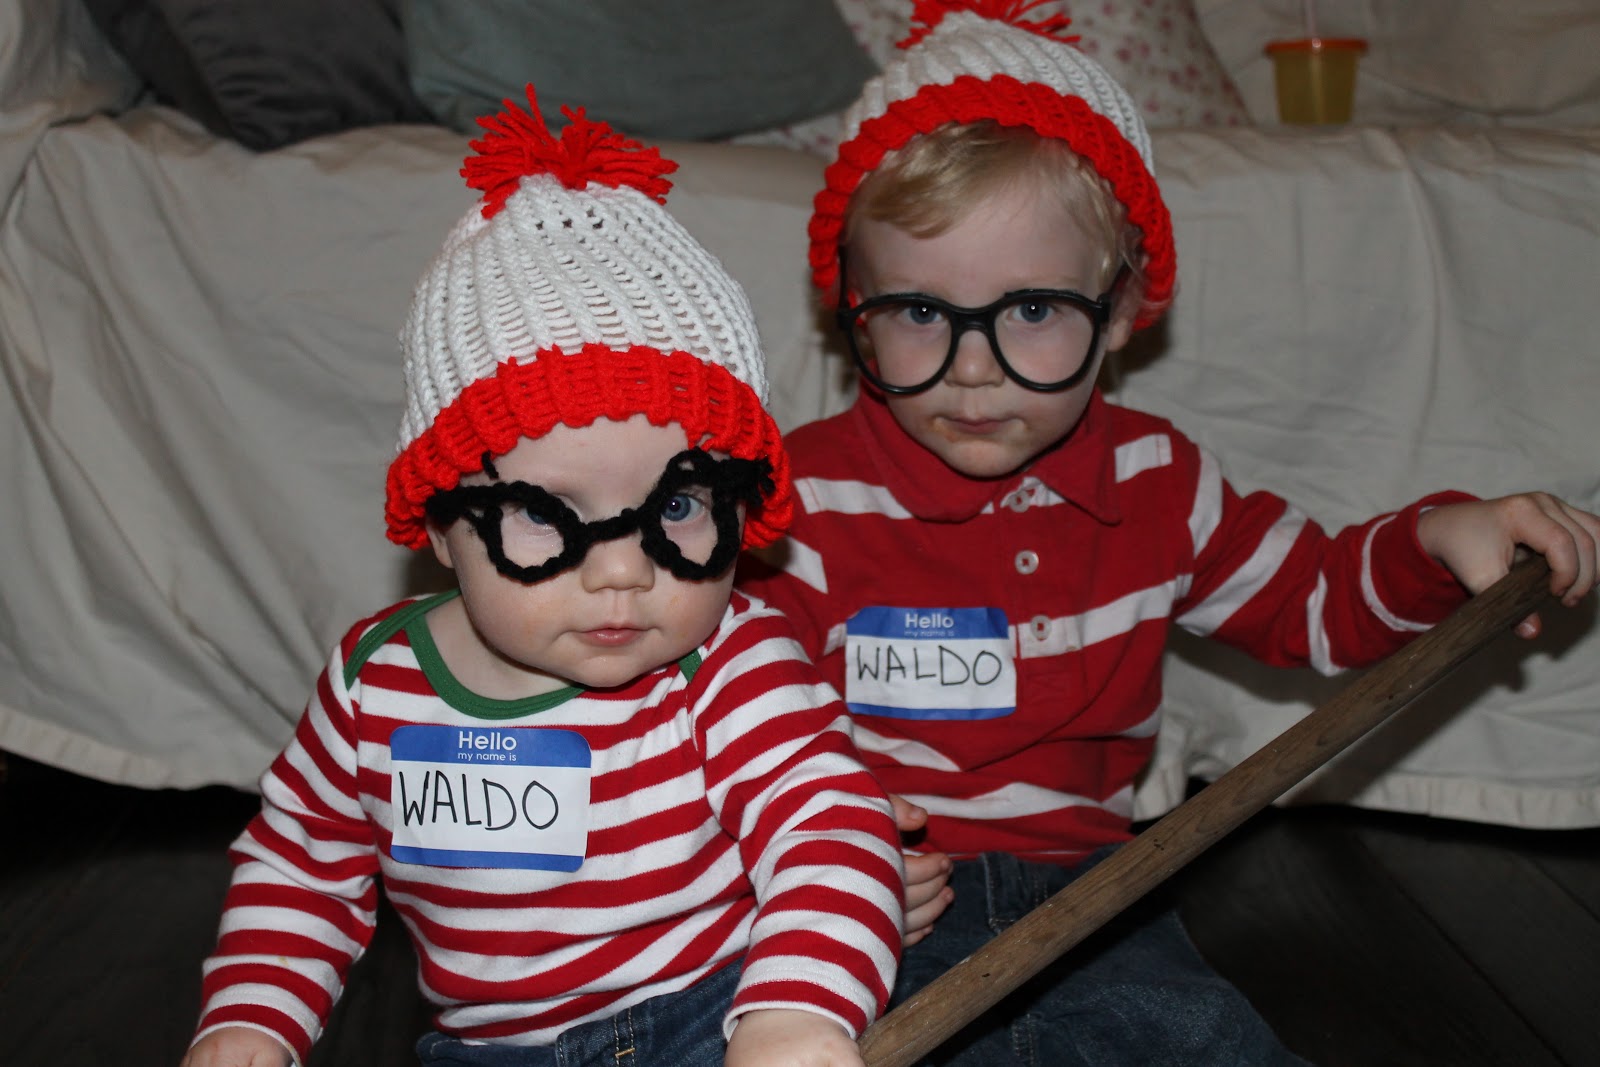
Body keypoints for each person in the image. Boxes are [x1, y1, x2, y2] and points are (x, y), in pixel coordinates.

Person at [737, 3, 1600, 1064]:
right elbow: (733, 722)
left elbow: (1312, 601)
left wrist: (1432, 538)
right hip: (868, 902)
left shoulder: (1160, 481)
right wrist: (825, 850)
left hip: (1099, 894)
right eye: (920, 313)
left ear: (1117, 309)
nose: (974, 367)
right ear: (854, 309)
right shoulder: (807, 501)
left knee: (1205, 1039)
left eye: (1033, 311)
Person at [182, 87, 905, 1067]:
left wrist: (796, 1012)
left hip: (709, 1013)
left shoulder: (728, 666)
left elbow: (830, 827)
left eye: (678, 508)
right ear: (441, 523)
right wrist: (249, 1022)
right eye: (543, 516)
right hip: (483, 1049)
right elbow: (301, 867)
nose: (623, 571)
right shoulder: (373, 685)